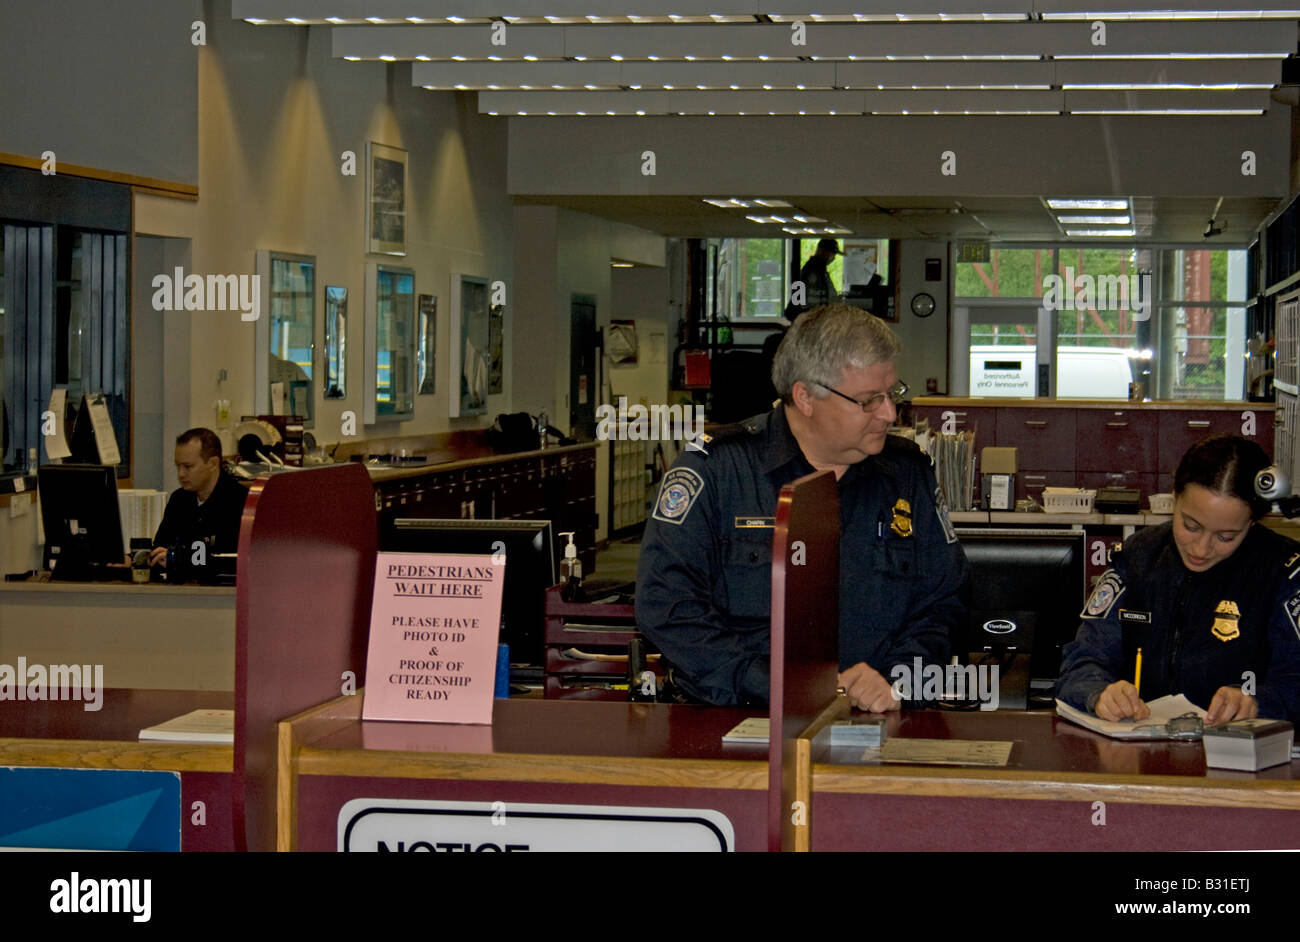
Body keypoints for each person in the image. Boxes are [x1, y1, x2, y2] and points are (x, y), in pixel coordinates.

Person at [636, 303, 968, 709]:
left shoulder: (907, 473)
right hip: (737, 717)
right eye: (868, 400)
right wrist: (775, 684)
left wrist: (898, 680)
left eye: (893, 393)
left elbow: (943, 600)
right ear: (805, 396)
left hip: (880, 718)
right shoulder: (718, 471)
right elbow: (667, 607)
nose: (889, 412)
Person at [1057, 435, 1300, 725]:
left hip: (1237, 759)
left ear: (1252, 522)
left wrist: (1257, 702)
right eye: (1190, 525)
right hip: (1138, 755)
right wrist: (1099, 694)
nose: (1200, 549)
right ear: (1174, 498)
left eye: (1225, 537)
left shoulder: (1283, 571)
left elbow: (1295, 680)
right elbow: (1082, 661)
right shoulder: (1137, 557)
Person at [150, 428, 249, 569]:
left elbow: (230, 558)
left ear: (213, 464)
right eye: (178, 466)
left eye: (188, 466)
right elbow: (161, 547)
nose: (181, 474)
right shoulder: (179, 500)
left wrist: (181, 558)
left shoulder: (240, 502)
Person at [793, 238, 842, 316]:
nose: (833, 258)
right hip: (813, 317)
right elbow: (809, 301)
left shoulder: (820, 271)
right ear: (822, 251)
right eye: (832, 254)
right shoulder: (812, 271)